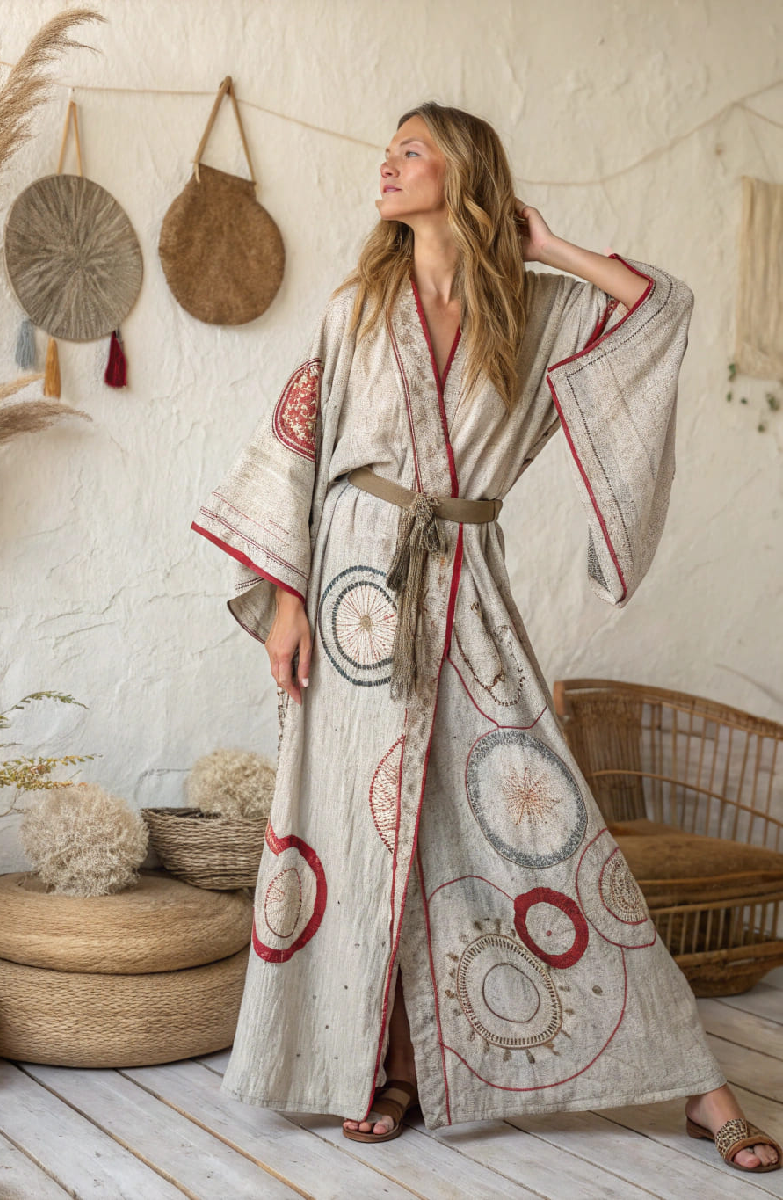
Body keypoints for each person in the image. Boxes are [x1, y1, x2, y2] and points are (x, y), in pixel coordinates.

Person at [191, 101, 780, 1175]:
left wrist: (546, 245)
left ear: (463, 173)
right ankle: (390, 1068)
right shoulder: (357, 307)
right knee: (364, 832)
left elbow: (661, 306)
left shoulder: (532, 309)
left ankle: (697, 1084)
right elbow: (295, 449)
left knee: (548, 831)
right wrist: (283, 599)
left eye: (411, 150)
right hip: (354, 595)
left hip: (465, 582)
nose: (388, 163)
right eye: (388, 150)